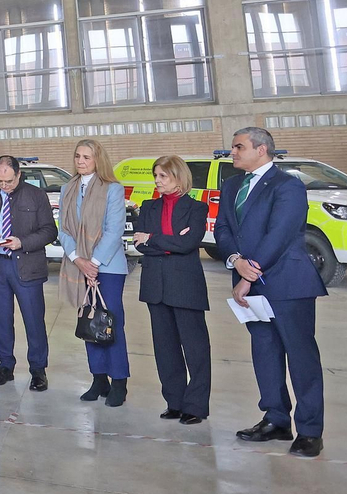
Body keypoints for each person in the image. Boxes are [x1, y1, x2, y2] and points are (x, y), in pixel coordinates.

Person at [217, 127, 327, 458]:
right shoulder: (232, 185)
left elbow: (281, 233)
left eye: (238, 147)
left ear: (261, 149)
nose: (232, 152)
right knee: (265, 351)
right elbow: (222, 228)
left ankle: (310, 430)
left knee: (300, 355)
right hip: (246, 281)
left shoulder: (287, 185)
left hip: (286, 283)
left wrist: (250, 272)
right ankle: (276, 419)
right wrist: (236, 261)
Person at [133, 154, 211, 425]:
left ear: (178, 177)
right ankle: (175, 402)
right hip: (156, 285)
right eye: (155, 176)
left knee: (195, 348)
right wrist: (168, 242)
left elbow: (189, 242)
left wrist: (154, 239)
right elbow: (139, 245)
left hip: (186, 285)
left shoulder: (197, 208)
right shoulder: (148, 207)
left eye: (162, 176)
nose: (157, 181)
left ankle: (196, 406)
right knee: (165, 349)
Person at [58, 139, 131, 407]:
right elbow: (63, 231)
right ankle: (98, 378)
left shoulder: (113, 190)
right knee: (89, 322)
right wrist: (79, 260)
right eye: (77, 156)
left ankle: (119, 381)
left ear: (98, 159)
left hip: (107, 267)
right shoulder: (68, 188)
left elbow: (114, 231)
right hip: (79, 265)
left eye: (86, 157)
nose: (80, 161)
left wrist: (94, 262)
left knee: (109, 322)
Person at [0, 156, 58, 391]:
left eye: (8, 181)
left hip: (27, 266)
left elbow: (49, 231)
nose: (4, 186)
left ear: (19, 175)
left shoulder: (36, 195)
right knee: (1, 320)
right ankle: (5, 365)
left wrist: (22, 242)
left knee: (33, 320)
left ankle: (38, 369)